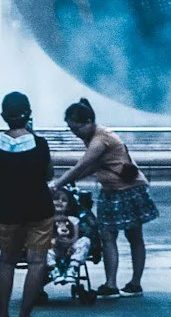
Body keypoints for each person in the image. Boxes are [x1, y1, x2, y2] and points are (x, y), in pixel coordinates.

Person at [52, 99, 158, 297]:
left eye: (75, 128)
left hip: (128, 190)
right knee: (110, 236)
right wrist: (67, 181)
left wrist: (57, 185)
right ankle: (114, 285)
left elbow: (83, 165)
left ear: (88, 122)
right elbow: (92, 167)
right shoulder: (93, 137)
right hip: (111, 190)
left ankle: (129, 284)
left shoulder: (101, 139)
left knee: (130, 236)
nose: (74, 133)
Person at [0, 90, 55, 317]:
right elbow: (48, 175)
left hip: (7, 210)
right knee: (37, 262)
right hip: (39, 210)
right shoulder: (40, 144)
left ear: (3, 116)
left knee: (7, 261)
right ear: (29, 115)